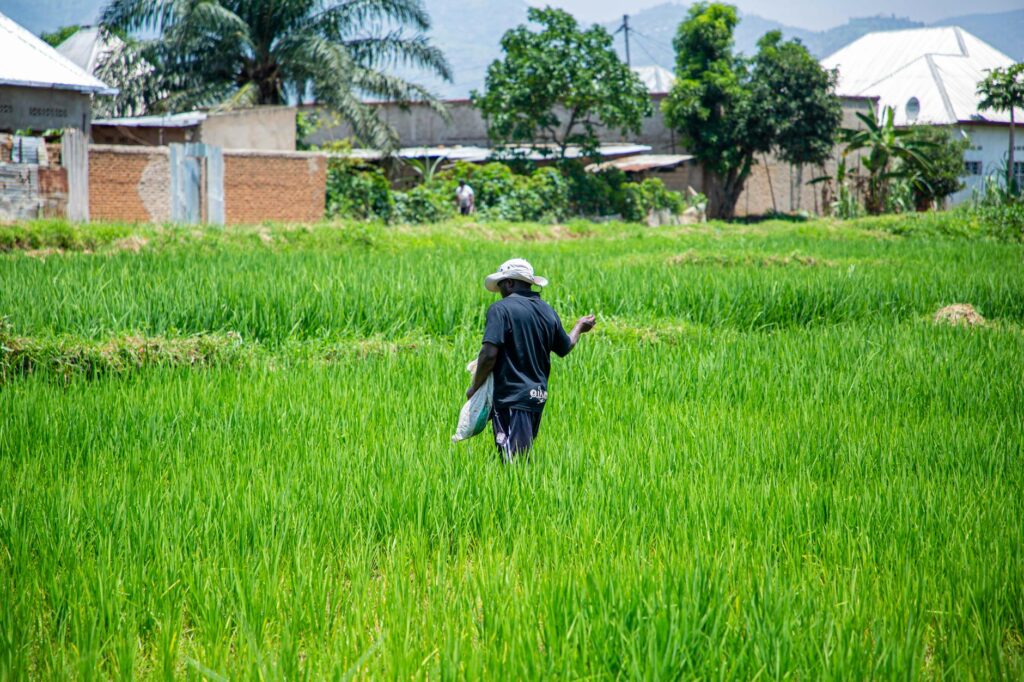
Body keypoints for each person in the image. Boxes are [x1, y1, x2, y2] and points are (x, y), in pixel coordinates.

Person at [466, 259, 596, 461]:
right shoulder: (547, 311)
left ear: (509, 283)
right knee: (518, 457)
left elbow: (488, 354)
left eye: (501, 285)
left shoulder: (500, 309)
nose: (500, 292)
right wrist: (579, 327)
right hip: (537, 397)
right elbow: (564, 347)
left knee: (514, 463)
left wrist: (475, 387)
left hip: (511, 397)